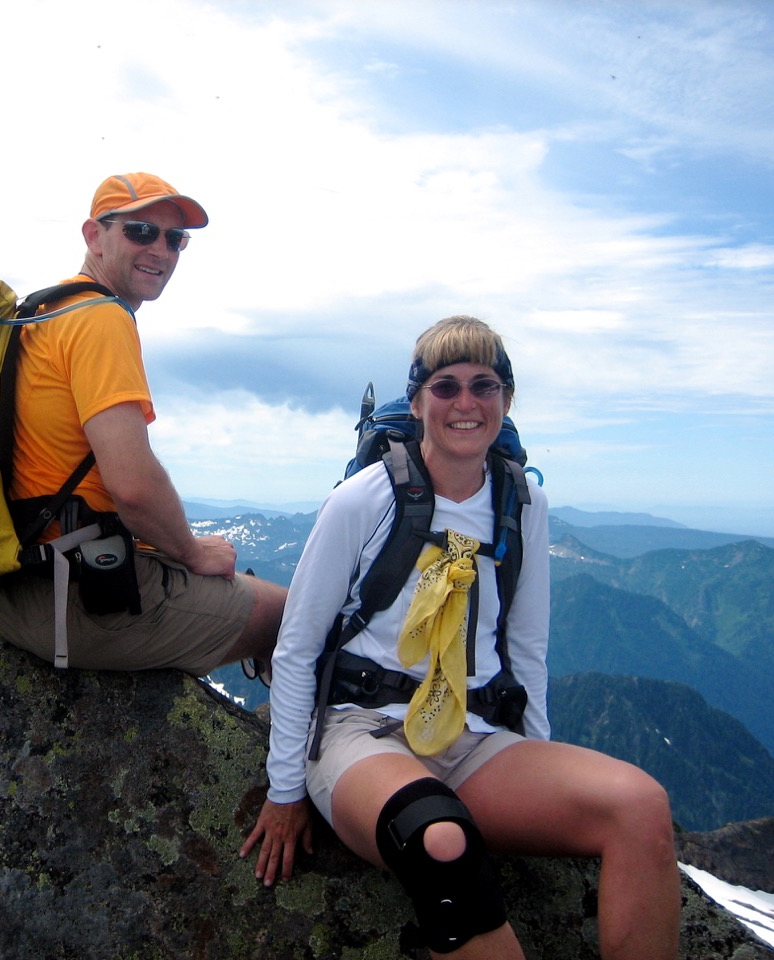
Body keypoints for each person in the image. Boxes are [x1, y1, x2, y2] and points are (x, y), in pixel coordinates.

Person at [240, 316, 680, 959]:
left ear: (506, 399)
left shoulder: (522, 501)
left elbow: (525, 648)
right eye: (445, 386)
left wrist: (538, 769)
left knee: (642, 807)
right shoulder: (364, 499)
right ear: (417, 402)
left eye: (485, 385)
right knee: (440, 844)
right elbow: (297, 648)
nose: (466, 403)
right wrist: (285, 791)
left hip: (472, 735)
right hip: (360, 733)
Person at [0, 172, 286, 678]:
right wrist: (191, 552)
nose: (161, 250)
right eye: (141, 232)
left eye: (175, 239)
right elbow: (132, 486)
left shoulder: (42, 314)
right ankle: (297, 752)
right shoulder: (101, 319)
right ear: (94, 235)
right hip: (74, 601)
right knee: (295, 613)